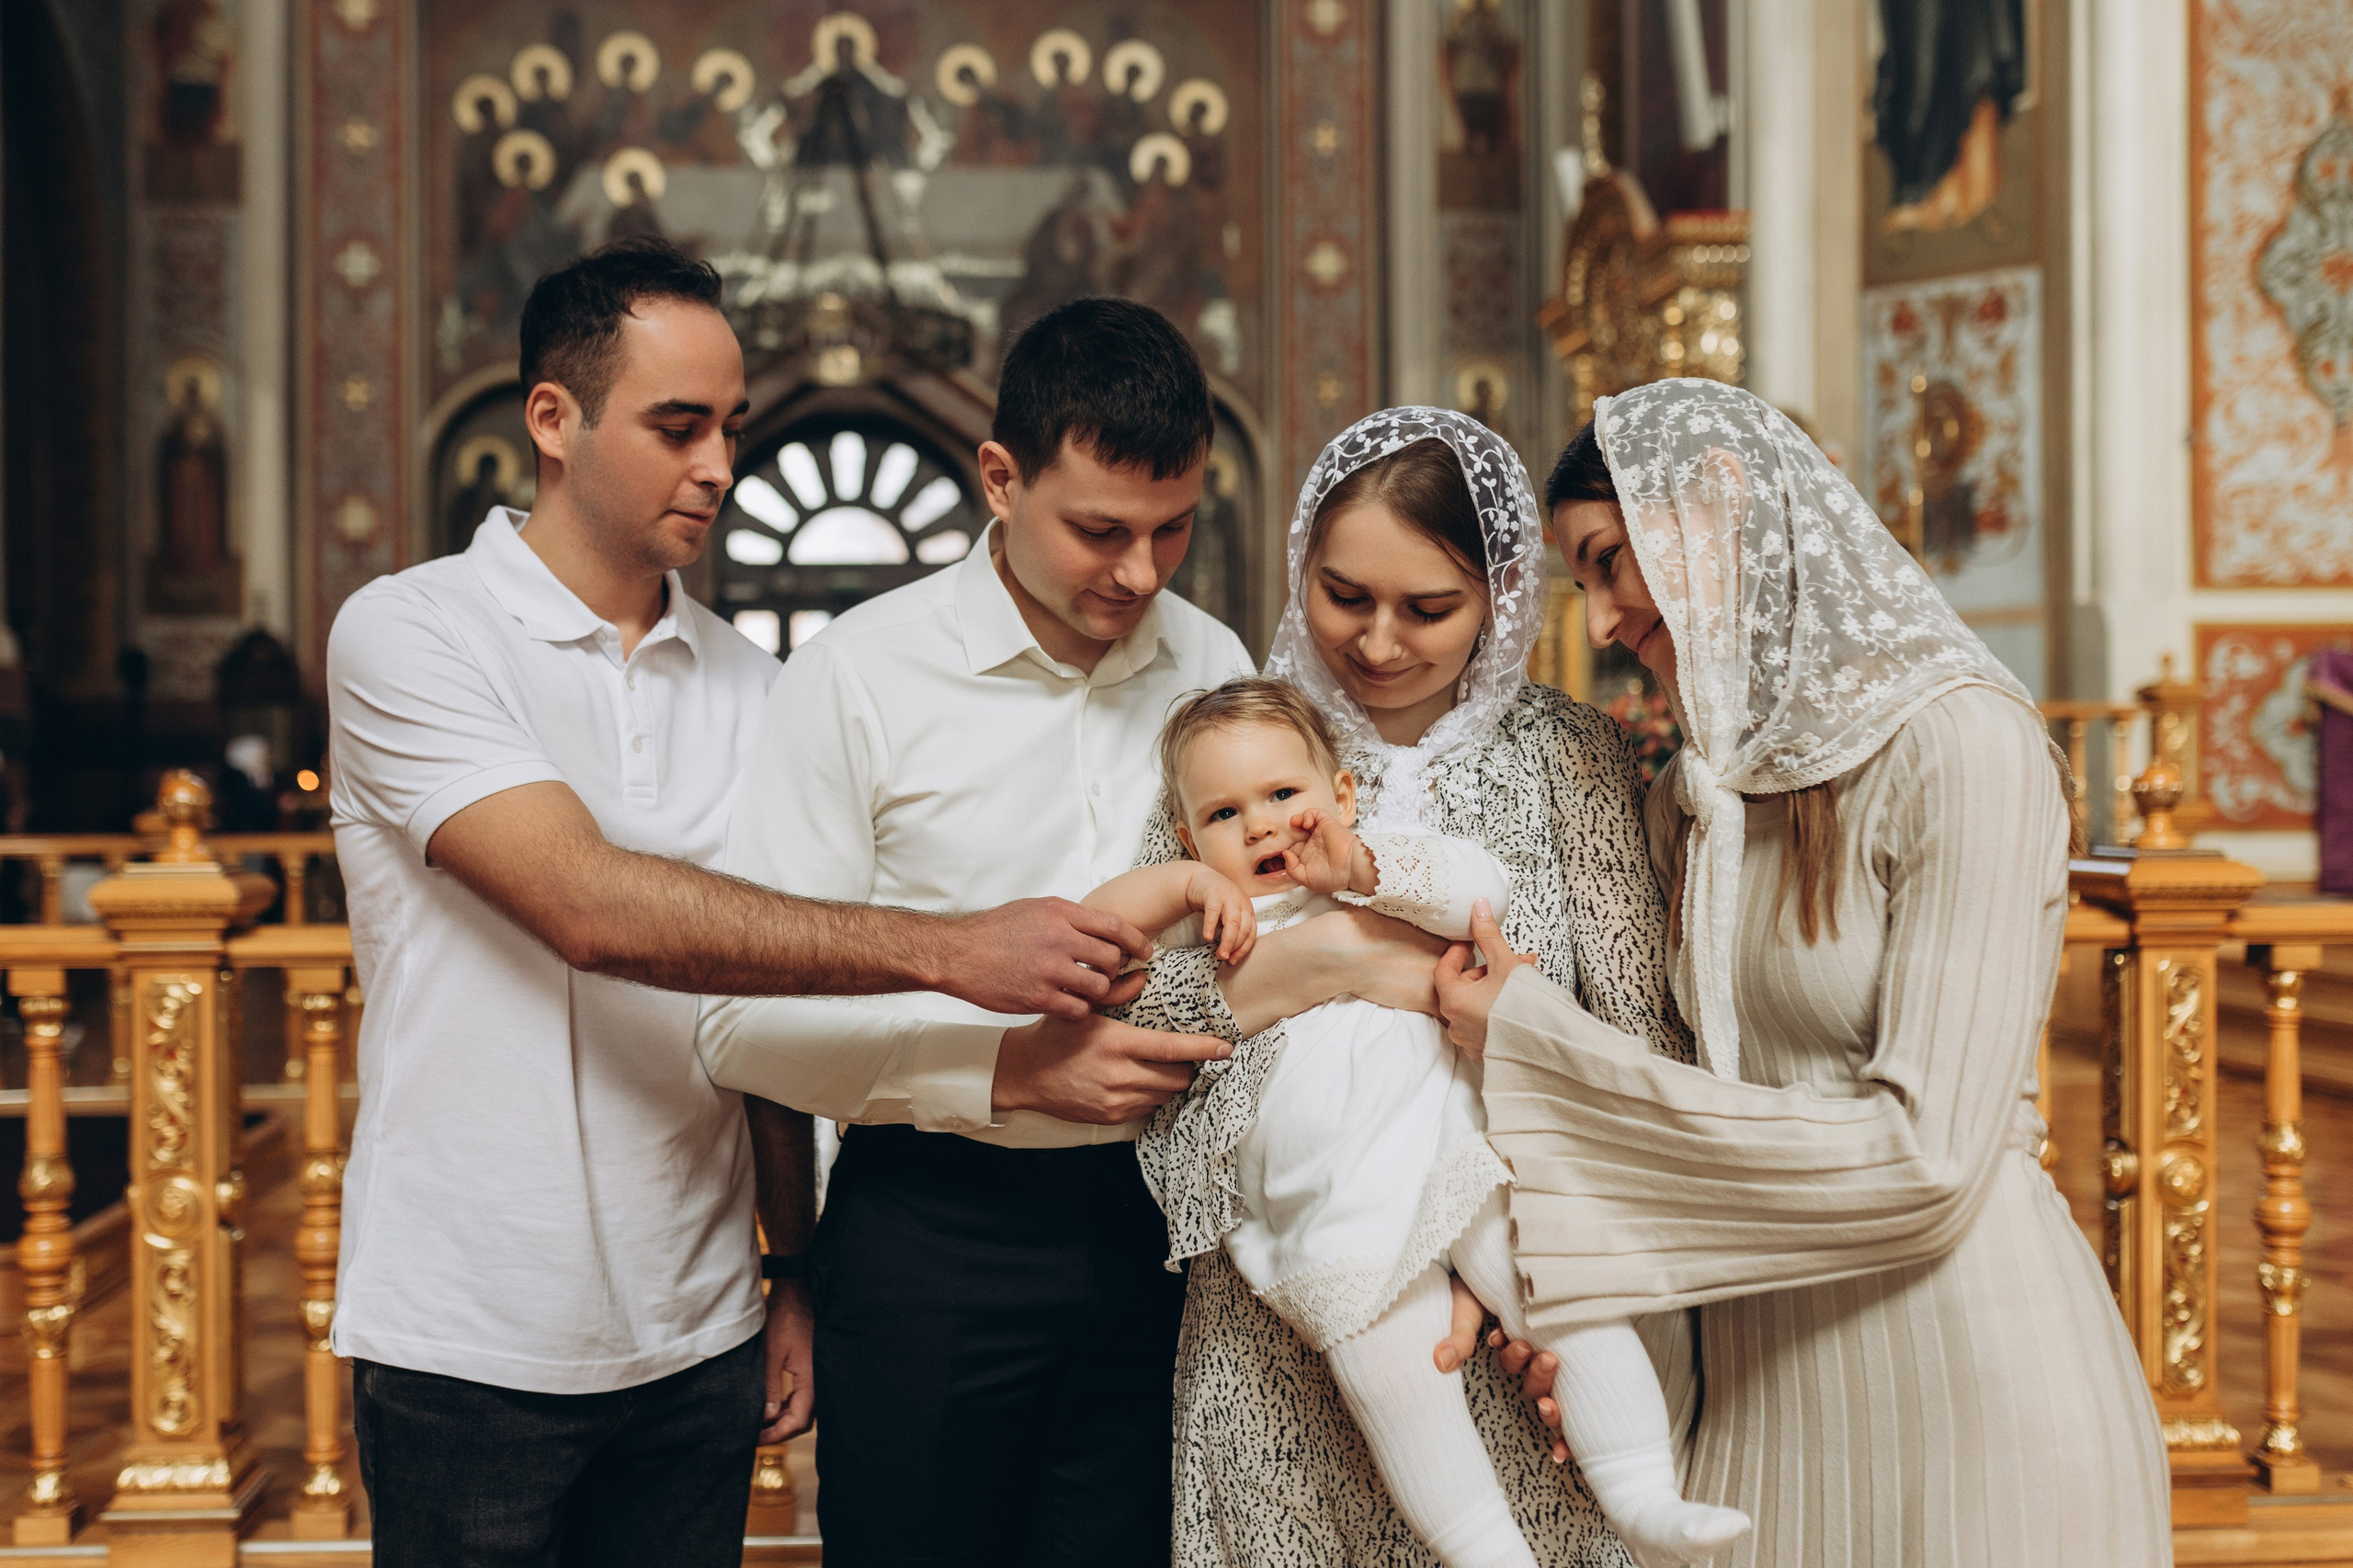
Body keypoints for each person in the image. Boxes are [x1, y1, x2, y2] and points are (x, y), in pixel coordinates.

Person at [326, 239, 1152, 1568]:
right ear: (552, 418)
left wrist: (792, 1269)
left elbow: (762, 994)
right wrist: (954, 950)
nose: (719, 464)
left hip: (699, 1325)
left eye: (731, 426)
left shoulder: (756, 682)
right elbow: (588, 906)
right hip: (472, 1324)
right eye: (677, 427)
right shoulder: (411, 630)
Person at [695, 300, 1440, 1565]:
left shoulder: (1210, 664)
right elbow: (739, 1024)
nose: (1141, 573)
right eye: (1100, 530)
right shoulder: (856, 677)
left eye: (1172, 527)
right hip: (937, 1233)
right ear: (1000, 479)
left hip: (1172, 1238)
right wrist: (1005, 1069)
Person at [1433, 378, 2170, 1568]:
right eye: (1581, 581)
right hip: (1756, 1397)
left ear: (1721, 500)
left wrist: (1535, 1040)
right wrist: (1572, 1304)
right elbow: (1678, 1094)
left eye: (1611, 560)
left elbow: (1926, 1161)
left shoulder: (1964, 746)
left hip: (1974, 1383)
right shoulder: (1691, 800)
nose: (1604, 618)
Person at [1117, 407, 1699, 1568]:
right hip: (1288, 1313)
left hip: (1516, 1282)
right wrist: (1332, 963)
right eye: (1344, 596)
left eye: (1427, 608)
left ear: (1500, 596)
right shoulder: (1233, 749)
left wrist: (1468, 1216)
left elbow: (1639, 1035)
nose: (1377, 642)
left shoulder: (1570, 755)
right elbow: (1139, 1020)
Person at [1091, 676, 1748, 1568]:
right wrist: (1183, 883)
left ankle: (1646, 1498)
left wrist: (1363, 869)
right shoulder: (1209, 922)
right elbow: (1095, 940)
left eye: (1282, 794)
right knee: (1399, 1385)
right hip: (1329, 1211)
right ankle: (1490, 1556)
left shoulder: (1372, 870)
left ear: (1341, 795)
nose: (1260, 827)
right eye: (1224, 814)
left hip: (1454, 1152)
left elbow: (1481, 888)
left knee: (1566, 1298)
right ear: (1187, 836)